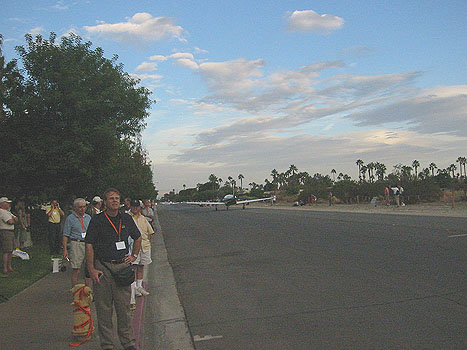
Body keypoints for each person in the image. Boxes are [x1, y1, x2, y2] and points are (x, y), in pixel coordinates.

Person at [86, 188, 141, 350]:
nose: (115, 201)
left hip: (122, 267)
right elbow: (89, 244)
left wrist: (134, 255)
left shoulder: (126, 218)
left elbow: (137, 237)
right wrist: (91, 269)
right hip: (103, 267)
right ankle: (108, 344)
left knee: (124, 309)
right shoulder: (97, 220)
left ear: (122, 201)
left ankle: (128, 342)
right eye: (111, 198)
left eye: (117, 198)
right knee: (104, 311)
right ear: (105, 202)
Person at [128, 199, 154, 304]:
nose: (135, 208)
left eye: (137, 207)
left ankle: (139, 287)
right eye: (133, 207)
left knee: (141, 266)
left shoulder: (143, 218)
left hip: (144, 246)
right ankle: (133, 289)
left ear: (140, 207)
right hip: (133, 246)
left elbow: (149, 232)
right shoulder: (127, 217)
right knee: (133, 268)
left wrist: (146, 241)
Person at [63, 198, 92, 287]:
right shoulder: (70, 219)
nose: (82, 209)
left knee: (88, 269)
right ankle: (75, 291)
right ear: (75, 208)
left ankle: (88, 292)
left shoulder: (88, 217)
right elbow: (65, 235)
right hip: (76, 243)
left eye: (84, 207)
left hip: (87, 243)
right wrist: (65, 249)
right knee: (76, 269)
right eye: (80, 207)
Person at [0, 197, 18, 276]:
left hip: (10, 231)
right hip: (5, 231)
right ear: (3, 204)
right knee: (6, 250)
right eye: (7, 203)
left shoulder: (8, 212)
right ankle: (5, 268)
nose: (9, 204)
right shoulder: (2, 212)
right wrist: (14, 220)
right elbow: (10, 221)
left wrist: (14, 219)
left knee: (10, 250)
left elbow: (16, 218)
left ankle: (9, 267)